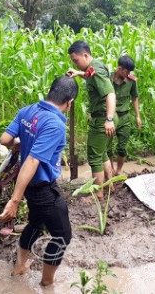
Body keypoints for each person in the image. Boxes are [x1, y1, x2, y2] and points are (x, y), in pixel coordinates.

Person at [0, 75, 78, 286]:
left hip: (30, 186)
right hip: (41, 188)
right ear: (69, 102)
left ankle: (20, 266)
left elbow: (5, 139)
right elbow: (31, 161)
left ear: (51, 92)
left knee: (36, 224)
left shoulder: (28, 110)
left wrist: (18, 143)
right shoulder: (55, 125)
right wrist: (14, 201)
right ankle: (47, 283)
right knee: (62, 236)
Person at [67, 40, 116, 200]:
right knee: (102, 154)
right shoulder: (93, 68)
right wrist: (77, 72)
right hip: (102, 117)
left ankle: (98, 194)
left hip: (103, 118)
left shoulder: (95, 71)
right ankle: (109, 185)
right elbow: (90, 76)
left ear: (85, 55)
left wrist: (108, 119)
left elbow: (110, 94)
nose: (76, 63)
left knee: (94, 157)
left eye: (76, 60)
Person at [107, 55, 142, 175]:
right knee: (107, 147)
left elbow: (134, 98)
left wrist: (137, 116)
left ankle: (118, 171)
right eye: (126, 71)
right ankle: (110, 170)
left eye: (129, 72)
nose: (128, 74)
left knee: (122, 147)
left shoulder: (131, 81)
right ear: (119, 68)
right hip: (110, 117)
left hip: (124, 117)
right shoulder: (107, 79)